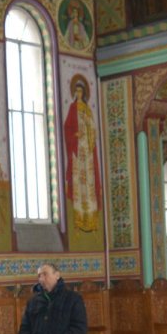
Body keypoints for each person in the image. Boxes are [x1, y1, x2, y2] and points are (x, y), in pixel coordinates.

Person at [63, 75, 101, 232]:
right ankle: (79, 220)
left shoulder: (87, 109)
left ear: (84, 93)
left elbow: (92, 128)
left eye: (81, 91)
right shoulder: (73, 108)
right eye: (77, 91)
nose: (78, 93)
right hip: (77, 151)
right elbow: (67, 128)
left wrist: (88, 133)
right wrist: (75, 135)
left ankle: (91, 220)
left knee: (89, 182)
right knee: (79, 182)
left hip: (87, 151)